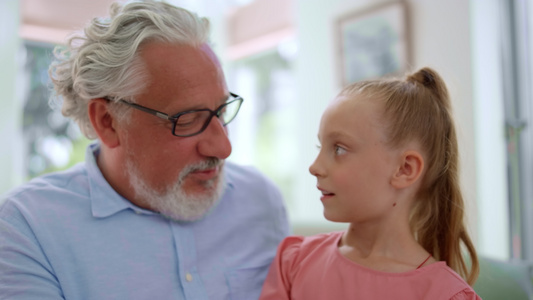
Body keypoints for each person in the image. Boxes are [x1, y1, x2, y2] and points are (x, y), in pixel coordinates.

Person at [0, 1, 289, 299]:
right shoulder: (29, 227)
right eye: (187, 120)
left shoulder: (260, 202)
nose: (223, 147)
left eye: (221, 111)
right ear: (108, 122)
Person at [259, 67, 481, 299]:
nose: (315, 167)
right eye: (320, 147)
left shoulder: (445, 295)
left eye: (339, 149)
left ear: (405, 169)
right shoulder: (294, 262)